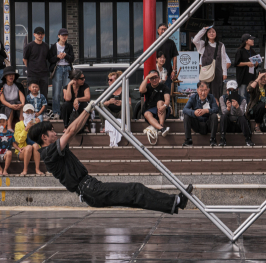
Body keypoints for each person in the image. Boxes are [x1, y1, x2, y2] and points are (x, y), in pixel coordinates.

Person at [29, 106, 192, 213]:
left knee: (135, 197)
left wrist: (87, 111)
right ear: (44, 137)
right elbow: (70, 132)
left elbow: (74, 129)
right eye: (51, 131)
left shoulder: (52, 151)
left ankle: (174, 204)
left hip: (90, 187)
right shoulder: (48, 152)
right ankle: (176, 201)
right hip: (89, 189)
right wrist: (86, 110)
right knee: (135, 190)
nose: (55, 133)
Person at [193, 26, 228, 100]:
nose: (211, 33)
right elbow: (195, 40)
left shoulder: (221, 45)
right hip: (205, 73)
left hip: (217, 72)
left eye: (213, 32)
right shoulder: (203, 44)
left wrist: (224, 73)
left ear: (216, 33)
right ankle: (205, 110)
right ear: (206, 34)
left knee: (216, 94)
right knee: (204, 92)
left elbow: (223, 60)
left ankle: (215, 110)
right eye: (209, 32)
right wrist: (204, 29)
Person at [183, 80, 219, 147]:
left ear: (208, 90)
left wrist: (207, 111)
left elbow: (216, 109)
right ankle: (188, 140)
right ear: (197, 90)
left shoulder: (211, 97)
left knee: (214, 116)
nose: (203, 93)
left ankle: (213, 139)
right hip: (197, 125)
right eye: (201, 90)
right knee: (186, 116)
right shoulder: (193, 97)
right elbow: (185, 109)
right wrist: (194, 112)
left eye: (205, 90)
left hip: (208, 125)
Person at [48, 28, 74, 119]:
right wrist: (58, 57)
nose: (64, 37)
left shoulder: (69, 46)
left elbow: (72, 59)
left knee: (68, 91)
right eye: (62, 35)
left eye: (66, 35)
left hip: (67, 68)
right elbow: (50, 60)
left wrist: (66, 55)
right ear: (58, 36)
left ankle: (68, 113)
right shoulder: (53, 46)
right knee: (56, 92)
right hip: (58, 68)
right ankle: (56, 113)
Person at [219, 80, 253, 147]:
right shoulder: (222, 98)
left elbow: (242, 114)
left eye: (233, 90)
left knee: (242, 117)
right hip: (228, 125)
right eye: (229, 90)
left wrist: (237, 107)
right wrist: (228, 108)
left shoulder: (242, 99)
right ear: (226, 91)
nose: (231, 92)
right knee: (223, 117)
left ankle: (248, 139)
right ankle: (222, 138)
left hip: (239, 125)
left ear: (237, 90)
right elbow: (223, 112)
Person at [15, 104, 44, 176]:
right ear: (23, 113)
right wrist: (26, 129)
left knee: (35, 145)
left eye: (31, 112)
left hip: (36, 152)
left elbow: (42, 140)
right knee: (28, 147)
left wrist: (39, 126)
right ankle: (25, 169)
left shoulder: (37, 124)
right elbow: (19, 140)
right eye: (27, 112)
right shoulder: (18, 125)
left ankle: (37, 169)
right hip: (23, 151)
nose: (29, 114)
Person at [140, 70, 171, 137]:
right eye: (152, 78)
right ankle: (161, 129)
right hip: (150, 109)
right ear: (149, 79)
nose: (154, 80)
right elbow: (141, 90)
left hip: (163, 109)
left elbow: (167, 99)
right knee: (146, 113)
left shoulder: (164, 87)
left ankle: (161, 124)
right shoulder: (147, 87)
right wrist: (146, 78)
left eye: (156, 77)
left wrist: (164, 106)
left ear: (159, 78)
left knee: (160, 102)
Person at [23, 26, 50, 99]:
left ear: (44, 35)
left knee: (44, 95)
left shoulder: (46, 46)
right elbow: (25, 59)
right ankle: (30, 110)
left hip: (43, 74)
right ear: (34, 34)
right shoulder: (29, 46)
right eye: (38, 34)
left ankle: (43, 110)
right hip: (32, 74)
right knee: (31, 95)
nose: (40, 35)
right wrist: (30, 68)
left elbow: (48, 59)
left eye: (42, 34)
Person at [0, 66, 25, 131]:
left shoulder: (18, 85)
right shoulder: (1, 86)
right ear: (5, 76)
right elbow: (2, 100)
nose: (11, 76)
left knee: (20, 103)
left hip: (17, 107)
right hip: (5, 108)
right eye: (9, 75)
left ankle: (22, 124)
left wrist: (22, 104)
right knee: (11, 103)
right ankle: (9, 127)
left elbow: (22, 96)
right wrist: (11, 105)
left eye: (12, 75)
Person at [247, 69, 266, 133]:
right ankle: (257, 125)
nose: (265, 79)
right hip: (254, 108)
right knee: (261, 105)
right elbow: (249, 90)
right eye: (262, 77)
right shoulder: (253, 83)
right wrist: (257, 79)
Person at [234, 34, 258, 101]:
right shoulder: (240, 51)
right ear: (246, 41)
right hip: (243, 78)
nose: (253, 41)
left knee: (251, 97)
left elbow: (255, 65)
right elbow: (236, 63)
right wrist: (247, 63)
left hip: (251, 77)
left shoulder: (252, 51)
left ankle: (249, 110)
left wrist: (256, 64)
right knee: (243, 97)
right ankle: (243, 111)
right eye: (251, 39)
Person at [156, 23, 178, 91]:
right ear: (158, 30)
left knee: (166, 93)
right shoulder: (155, 42)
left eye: (165, 29)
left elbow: (175, 56)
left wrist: (174, 70)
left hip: (168, 72)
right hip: (156, 72)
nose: (163, 31)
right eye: (162, 29)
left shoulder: (171, 42)